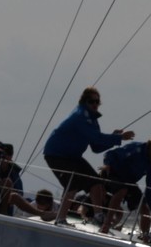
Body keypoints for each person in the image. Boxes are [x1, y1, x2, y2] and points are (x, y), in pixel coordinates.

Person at [43, 86, 133, 225]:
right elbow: (96, 138)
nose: (95, 104)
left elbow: (96, 147)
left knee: (96, 182)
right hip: (56, 154)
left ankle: (98, 216)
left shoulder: (92, 120)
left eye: (97, 102)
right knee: (72, 184)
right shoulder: (80, 116)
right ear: (84, 102)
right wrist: (118, 138)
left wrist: (115, 138)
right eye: (92, 101)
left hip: (73, 156)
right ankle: (60, 219)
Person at [98, 137, 151, 237]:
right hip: (113, 172)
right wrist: (108, 164)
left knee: (144, 207)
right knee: (122, 190)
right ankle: (106, 224)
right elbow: (111, 154)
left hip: (129, 181)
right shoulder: (136, 149)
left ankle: (145, 236)